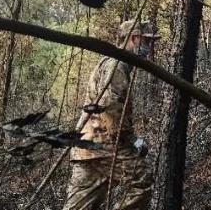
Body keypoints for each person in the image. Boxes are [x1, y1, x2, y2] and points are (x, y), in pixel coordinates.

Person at [63, 20, 160, 210]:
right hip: (103, 144)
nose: (149, 47)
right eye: (147, 42)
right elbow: (112, 110)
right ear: (134, 38)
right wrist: (132, 140)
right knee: (144, 182)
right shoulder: (117, 65)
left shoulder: (112, 62)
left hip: (86, 147)